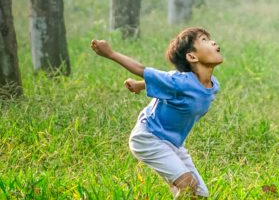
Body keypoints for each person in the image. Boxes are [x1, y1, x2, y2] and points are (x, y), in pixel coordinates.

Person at [91, 28, 223, 197]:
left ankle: (177, 187)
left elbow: (168, 84)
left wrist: (139, 85)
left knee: (199, 194)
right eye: (204, 40)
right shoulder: (179, 81)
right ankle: (178, 186)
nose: (213, 42)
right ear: (192, 57)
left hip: (173, 144)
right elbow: (142, 69)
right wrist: (110, 53)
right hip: (149, 137)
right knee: (188, 186)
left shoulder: (213, 85)